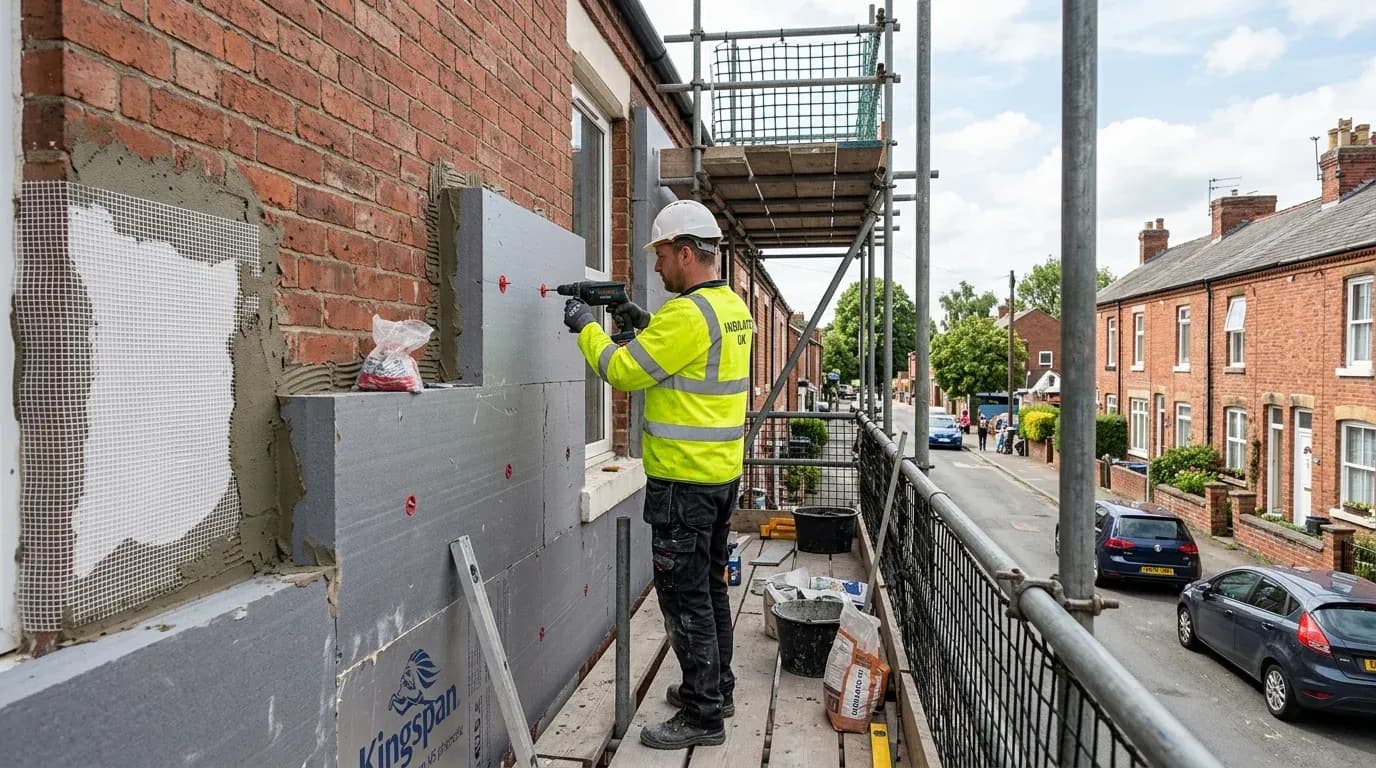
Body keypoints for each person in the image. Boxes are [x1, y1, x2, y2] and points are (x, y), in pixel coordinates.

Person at [562, 199, 753, 750]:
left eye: (664, 256)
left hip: (683, 488)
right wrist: (641, 324)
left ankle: (701, 715)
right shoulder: (730, 308)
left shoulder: (686, 316)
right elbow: (689, 360)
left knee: (683, 597)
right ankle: (718, 688)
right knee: (710, 587)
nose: (659, 267)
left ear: (688, 253)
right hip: (718, 479)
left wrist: (586, 329)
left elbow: (624, 372)